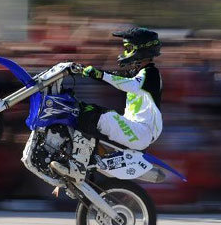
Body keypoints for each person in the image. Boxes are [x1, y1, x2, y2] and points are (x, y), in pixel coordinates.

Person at [50, 27, 163, 182]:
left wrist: (100, 74)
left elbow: (128, 84)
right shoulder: (139, 74)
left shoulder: (151, 74)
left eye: (128, 49)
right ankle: (80, 160)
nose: (124, 52)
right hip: (137, 129)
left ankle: (77, 166)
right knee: (83, 109)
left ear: (141, 50)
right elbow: (120, 78)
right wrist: (90, 72)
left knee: (92, 114)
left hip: (141, 131)